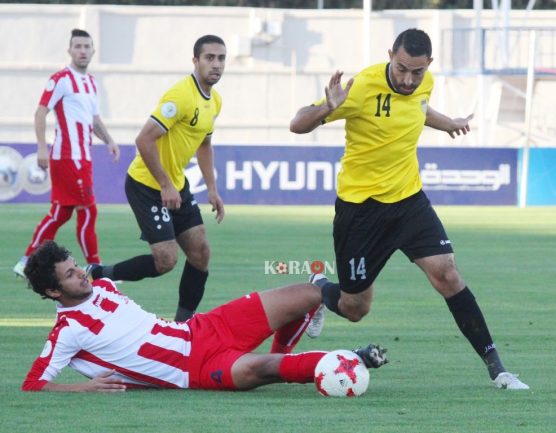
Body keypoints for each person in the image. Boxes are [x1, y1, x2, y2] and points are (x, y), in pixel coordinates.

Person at [290, 28, 528, 390]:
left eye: (417, 72)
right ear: (390, 55)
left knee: (447, 274)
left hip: (408, 202)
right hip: (361, 211)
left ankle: (498, 369)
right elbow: (297, 124)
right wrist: (327, 107)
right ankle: (320, 287)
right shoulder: (362, 87)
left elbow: (418, 106)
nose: (408, 79)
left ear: (428, 65)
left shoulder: (423, 82)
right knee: (356, 308)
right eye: (401, 69)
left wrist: (447, 123)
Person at [21, 240, 387, 392]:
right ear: (53, 292)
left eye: (76, 267)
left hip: (206, 327)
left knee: (310, 292)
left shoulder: (101, 285)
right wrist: (82, 387)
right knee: (265, 368)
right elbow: (32, 385)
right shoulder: (67, 332)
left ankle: (306, 326)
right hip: (194, 369)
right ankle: (352, 361)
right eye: (70, 275)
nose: (81, 274)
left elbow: (144, 265)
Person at [87, 35, 226, 322]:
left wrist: (212, 189)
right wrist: (165, 184)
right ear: (196, 61)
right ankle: (98, 274)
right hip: (147, 184)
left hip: (176, 184)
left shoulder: (215, 100)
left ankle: (182, 326)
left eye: (221, 58)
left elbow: (204, 144)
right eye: (210, 58)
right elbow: (143, 140)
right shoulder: (180, 96)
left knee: (200, 252)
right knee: (166, 261)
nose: (216, 64)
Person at [13, 29, 120, 278]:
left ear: (93, 51)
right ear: (70, 50)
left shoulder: (91, 82)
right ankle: (96, 267)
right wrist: (41, 147)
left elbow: (93, 120)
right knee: (88, 210)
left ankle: (26, 260)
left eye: (86, 46)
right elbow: (40, 112)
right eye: (78, 46)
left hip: (83, 156)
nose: (82, 50)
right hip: (67, 155)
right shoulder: (61, 79)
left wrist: (109, 140)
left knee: (60, 213)